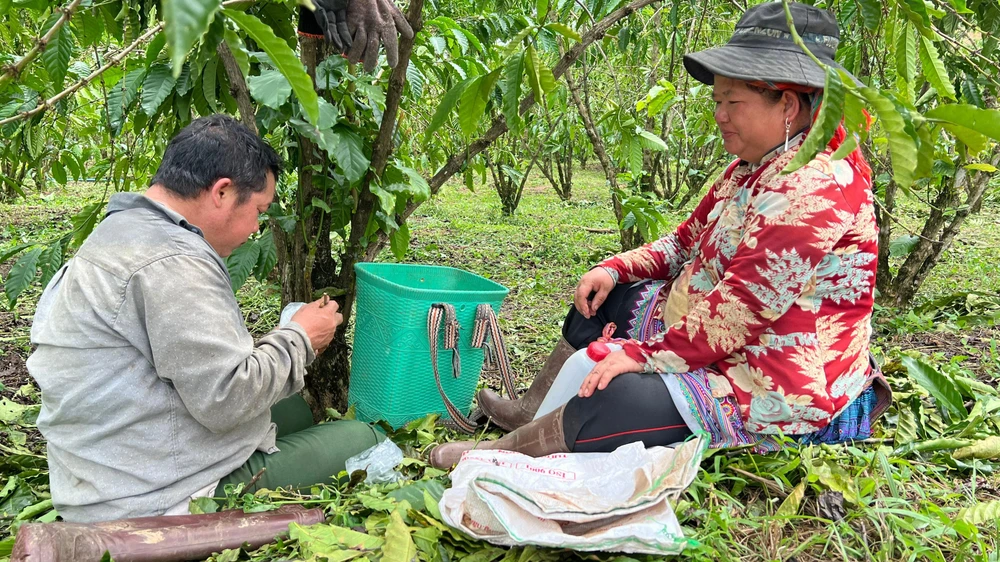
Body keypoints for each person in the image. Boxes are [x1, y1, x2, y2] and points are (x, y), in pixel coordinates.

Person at [430, 1, 892, 469]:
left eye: (734, 103)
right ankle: (536, 412)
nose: (721, 115)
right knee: (601, 297)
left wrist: (644, 355)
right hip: (718, 336)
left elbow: (740, 311)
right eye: (717, 101)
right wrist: (614, 268)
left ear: (788, 105)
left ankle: (505, 453)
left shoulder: (816, 185)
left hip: (775, 376)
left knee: (622, 394)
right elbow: (683, 242)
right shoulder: (751, 169)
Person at [27, 115, 384, 523]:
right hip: (149, 499)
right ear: (222, 192)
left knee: (295, 412)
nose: (256, 228)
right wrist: (300, 337)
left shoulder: (124, 228)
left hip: (104, 467)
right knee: (364, 438)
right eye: (258, 211)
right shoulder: (175, 262)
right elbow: (228, 398)